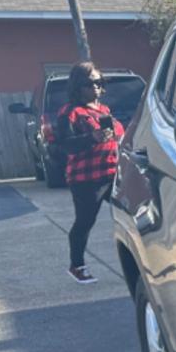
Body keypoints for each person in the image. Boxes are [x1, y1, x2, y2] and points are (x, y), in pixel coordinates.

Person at [53, 62, 124, 284]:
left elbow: (119, 134)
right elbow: (63, 145)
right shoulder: (70, 112)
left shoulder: (104, 111)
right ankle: (77, 265)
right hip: (86, 180)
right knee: (85, 221)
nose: (94, 87)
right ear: (77, 86)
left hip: (112, 173)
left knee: (132, 211)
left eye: (98, 82)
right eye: (89, 83)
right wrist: (90, 139)